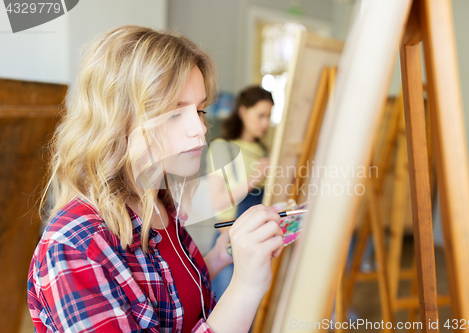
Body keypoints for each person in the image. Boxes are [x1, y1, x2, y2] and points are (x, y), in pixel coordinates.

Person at [27, 25, 284, 333]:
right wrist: (246, 288)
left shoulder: (158, 200)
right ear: (117, 119)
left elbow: (164, 298)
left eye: (200, 110)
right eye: (174, 113)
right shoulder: (73, 246)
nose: (200, 129)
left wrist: (215, 260)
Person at [206, 86, 273, 301]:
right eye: (260, 115)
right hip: (230, 241)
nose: (266, 123)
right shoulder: (222, 148)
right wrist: (254, 179)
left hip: (259, 241)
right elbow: (218, 201)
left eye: (269, 116)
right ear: (243, 112)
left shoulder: (265, 152)